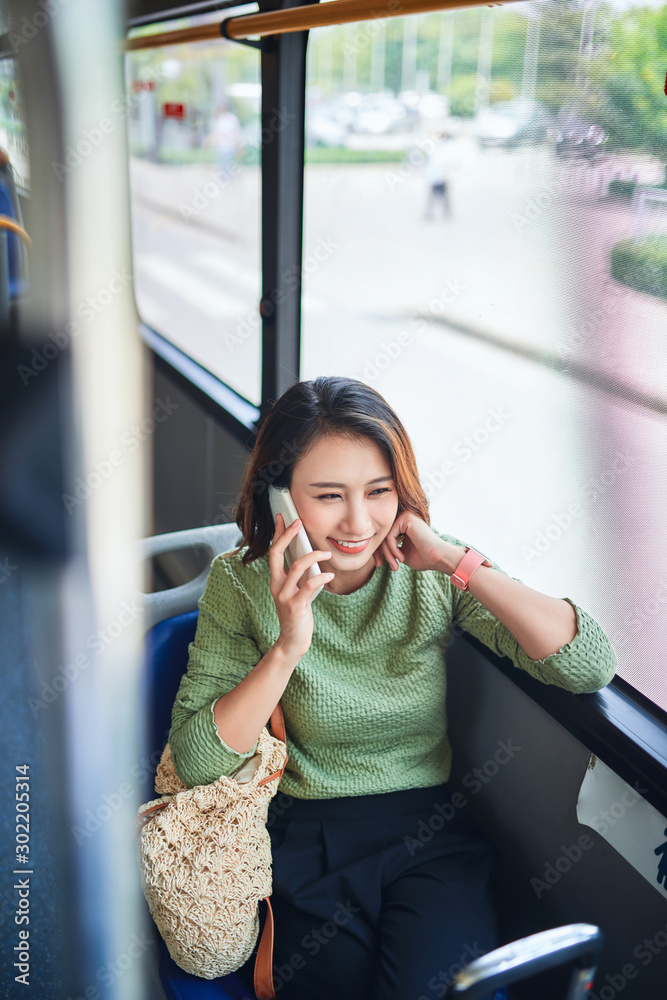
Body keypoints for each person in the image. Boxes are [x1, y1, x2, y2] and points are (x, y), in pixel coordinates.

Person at [168, 375, 617, 1000]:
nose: (359, 522)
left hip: (428, 832)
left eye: (379, 492)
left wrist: (459, 565)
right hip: (308, 836)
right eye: (328, 496)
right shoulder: (239, 583)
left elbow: (587, 664)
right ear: (281, 497)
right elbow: (195, 761)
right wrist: (288, 644)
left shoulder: (428, 567)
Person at [423, 130, 460, 221]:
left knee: (446, 196)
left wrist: (447, 173)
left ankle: (447, 214)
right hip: (434, 176)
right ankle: (429, 214)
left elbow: (452, 161)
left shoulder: (449, 146)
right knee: (431, 197)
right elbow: (430, 161)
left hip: (445, 175)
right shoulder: (434, 146)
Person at [205, 99, 243, 177]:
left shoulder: (229, 119)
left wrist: (238, 146)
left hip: (228, 147)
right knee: (224, 166)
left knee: (225, 166)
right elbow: (216, 134)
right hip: (223, 148)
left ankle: (226, 179)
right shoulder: (222, 119)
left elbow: (236, 134)